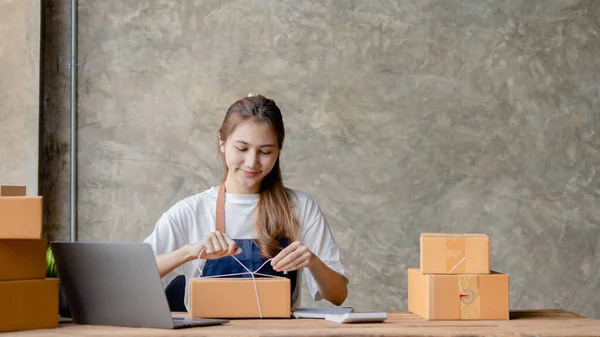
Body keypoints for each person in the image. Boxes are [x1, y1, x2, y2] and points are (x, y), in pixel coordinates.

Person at [143, 94, 349, 311]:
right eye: (242, 149)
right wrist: (189, 252)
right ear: (222, 142)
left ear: (278, 151)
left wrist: (313, 262)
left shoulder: (300, 206)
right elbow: (136, 278)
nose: (252, 162)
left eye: (266, 152)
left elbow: (338, 296)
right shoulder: (190, 211)